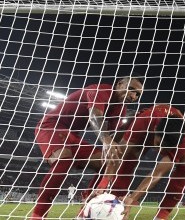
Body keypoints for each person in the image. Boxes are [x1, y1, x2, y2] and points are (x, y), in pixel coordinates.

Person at [31, 75, 143, 219]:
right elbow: (95, 116)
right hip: (51, 125)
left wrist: (129, 124)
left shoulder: (120, 110)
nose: (133, 95)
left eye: (137, 94)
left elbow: (114, 136)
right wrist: (106, 140)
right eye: (131, 89)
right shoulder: (100, 91)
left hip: (72, 135)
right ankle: (38, 215)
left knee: (105, 162)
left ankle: (86, 207)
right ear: (120, 84)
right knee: (64, 159)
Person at [93, 104, 185, 220]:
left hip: (164, 130)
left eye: (165, 148)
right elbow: (118, 154)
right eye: (158, 144)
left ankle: (162, 214)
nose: (160, 150)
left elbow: (157, 173)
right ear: (155, 131)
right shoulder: (143, 121)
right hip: (145, 128)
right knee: (129, 154)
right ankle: (113, 201)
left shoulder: (183, 139)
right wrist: (103, 183)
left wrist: (133, 197)